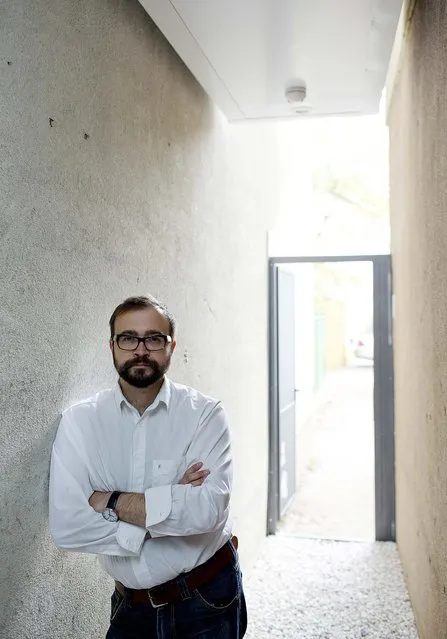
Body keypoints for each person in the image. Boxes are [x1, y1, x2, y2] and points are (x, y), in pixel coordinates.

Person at [49, 295, 247, 638]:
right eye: (128, 338)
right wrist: (170, 506)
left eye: (154, 339)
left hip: (206, 596)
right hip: (130, 607)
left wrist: (110, 501)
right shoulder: (80, 423)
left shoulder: (205, 414)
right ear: (112, 345)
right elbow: (68, 526)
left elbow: (207, 511)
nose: (140, 350)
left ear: (171, 346)